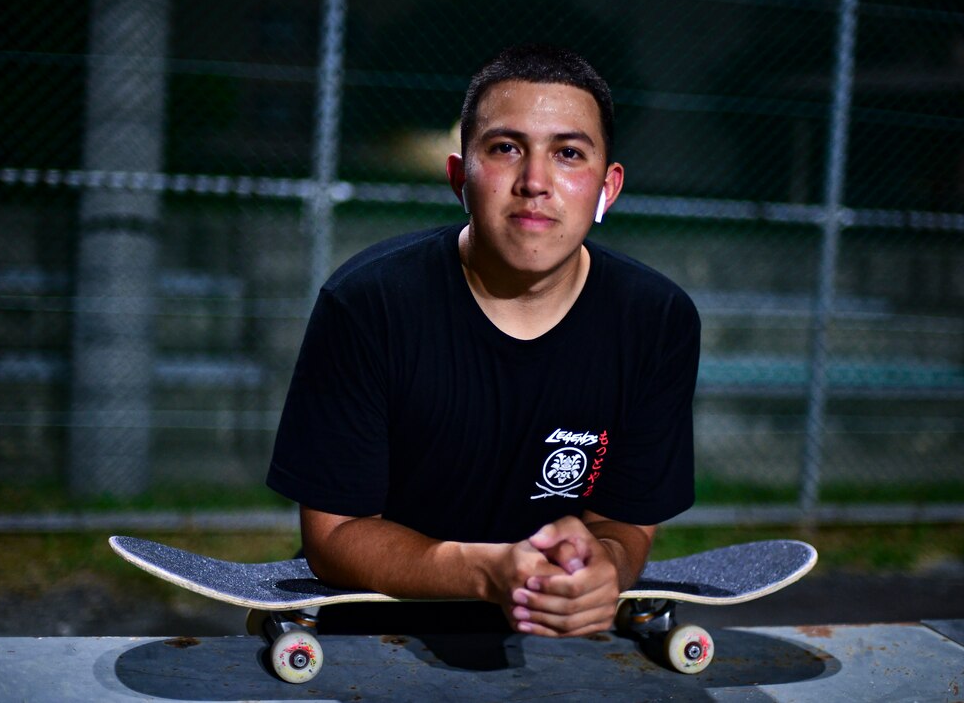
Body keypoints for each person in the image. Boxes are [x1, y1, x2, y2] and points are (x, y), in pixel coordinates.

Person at [267, 43, 700, 638]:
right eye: (505, 149)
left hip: (554, 633)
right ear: (457, 177)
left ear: (608, 186)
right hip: (376, 627)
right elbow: (336, 534)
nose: (535, 182)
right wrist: (484, 570)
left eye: (569, 153)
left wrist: (605, 567)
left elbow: (622, 525)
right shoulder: (369, 304)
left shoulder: (657, 321)